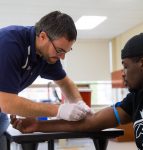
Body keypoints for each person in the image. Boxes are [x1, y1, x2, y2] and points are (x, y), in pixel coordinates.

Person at [11, 33, 143, 150]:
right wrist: (38, 125)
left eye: (125, 66)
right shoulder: (137, 97)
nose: (123, 74)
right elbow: (91, 122)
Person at [0, 11, 92, 150]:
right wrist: (59, 110)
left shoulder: (47, 55)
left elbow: (65, 82)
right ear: (42, 36)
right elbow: (7, 103)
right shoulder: (9, 43)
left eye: (66, 52)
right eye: (59, 50)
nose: (62, 57)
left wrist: (79, 103)